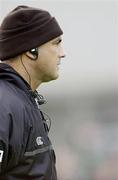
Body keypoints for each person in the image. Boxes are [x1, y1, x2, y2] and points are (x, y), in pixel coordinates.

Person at [0, 5, 65, 179]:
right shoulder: (4, 105)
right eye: (56, 43)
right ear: (31, 50)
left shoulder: (19, 101)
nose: (62, 53)